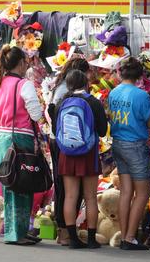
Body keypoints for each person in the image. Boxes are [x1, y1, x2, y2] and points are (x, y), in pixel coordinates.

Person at [0, 45, 47, 246]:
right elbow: (34, 112)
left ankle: (17, 230)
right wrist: (42, 118)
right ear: (21, 63)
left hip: (2, 137)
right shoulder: (23, 84)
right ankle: (17, 233)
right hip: (20, 138)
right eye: (26, 62)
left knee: (10, 182)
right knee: (23, 183)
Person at [107, 57, 150, 250]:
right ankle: (130, 238)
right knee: (142, 193)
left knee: (126, 192)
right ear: (139, 76)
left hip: (118, 144)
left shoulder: (113, 93)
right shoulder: (142, 95)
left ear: (121, 74)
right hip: (135, 145)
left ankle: (124, 235)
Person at [55, 70, 108, 249]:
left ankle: (72, 238)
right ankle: (92, 239)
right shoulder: (93, 102)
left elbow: (56, 130)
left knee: (70, 196)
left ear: (68, 85)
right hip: (88, 153)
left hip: (67, 154)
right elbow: (102, 130)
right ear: (86, 83)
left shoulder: (62, 102)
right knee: (91, 197)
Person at [47, 56, 91, 246]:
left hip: (58, 140)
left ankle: (65, 230)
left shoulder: (61, 86)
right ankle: (65, 231)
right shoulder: (68, 91)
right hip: (65, 143)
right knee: (67, 188)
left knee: (64, 187)